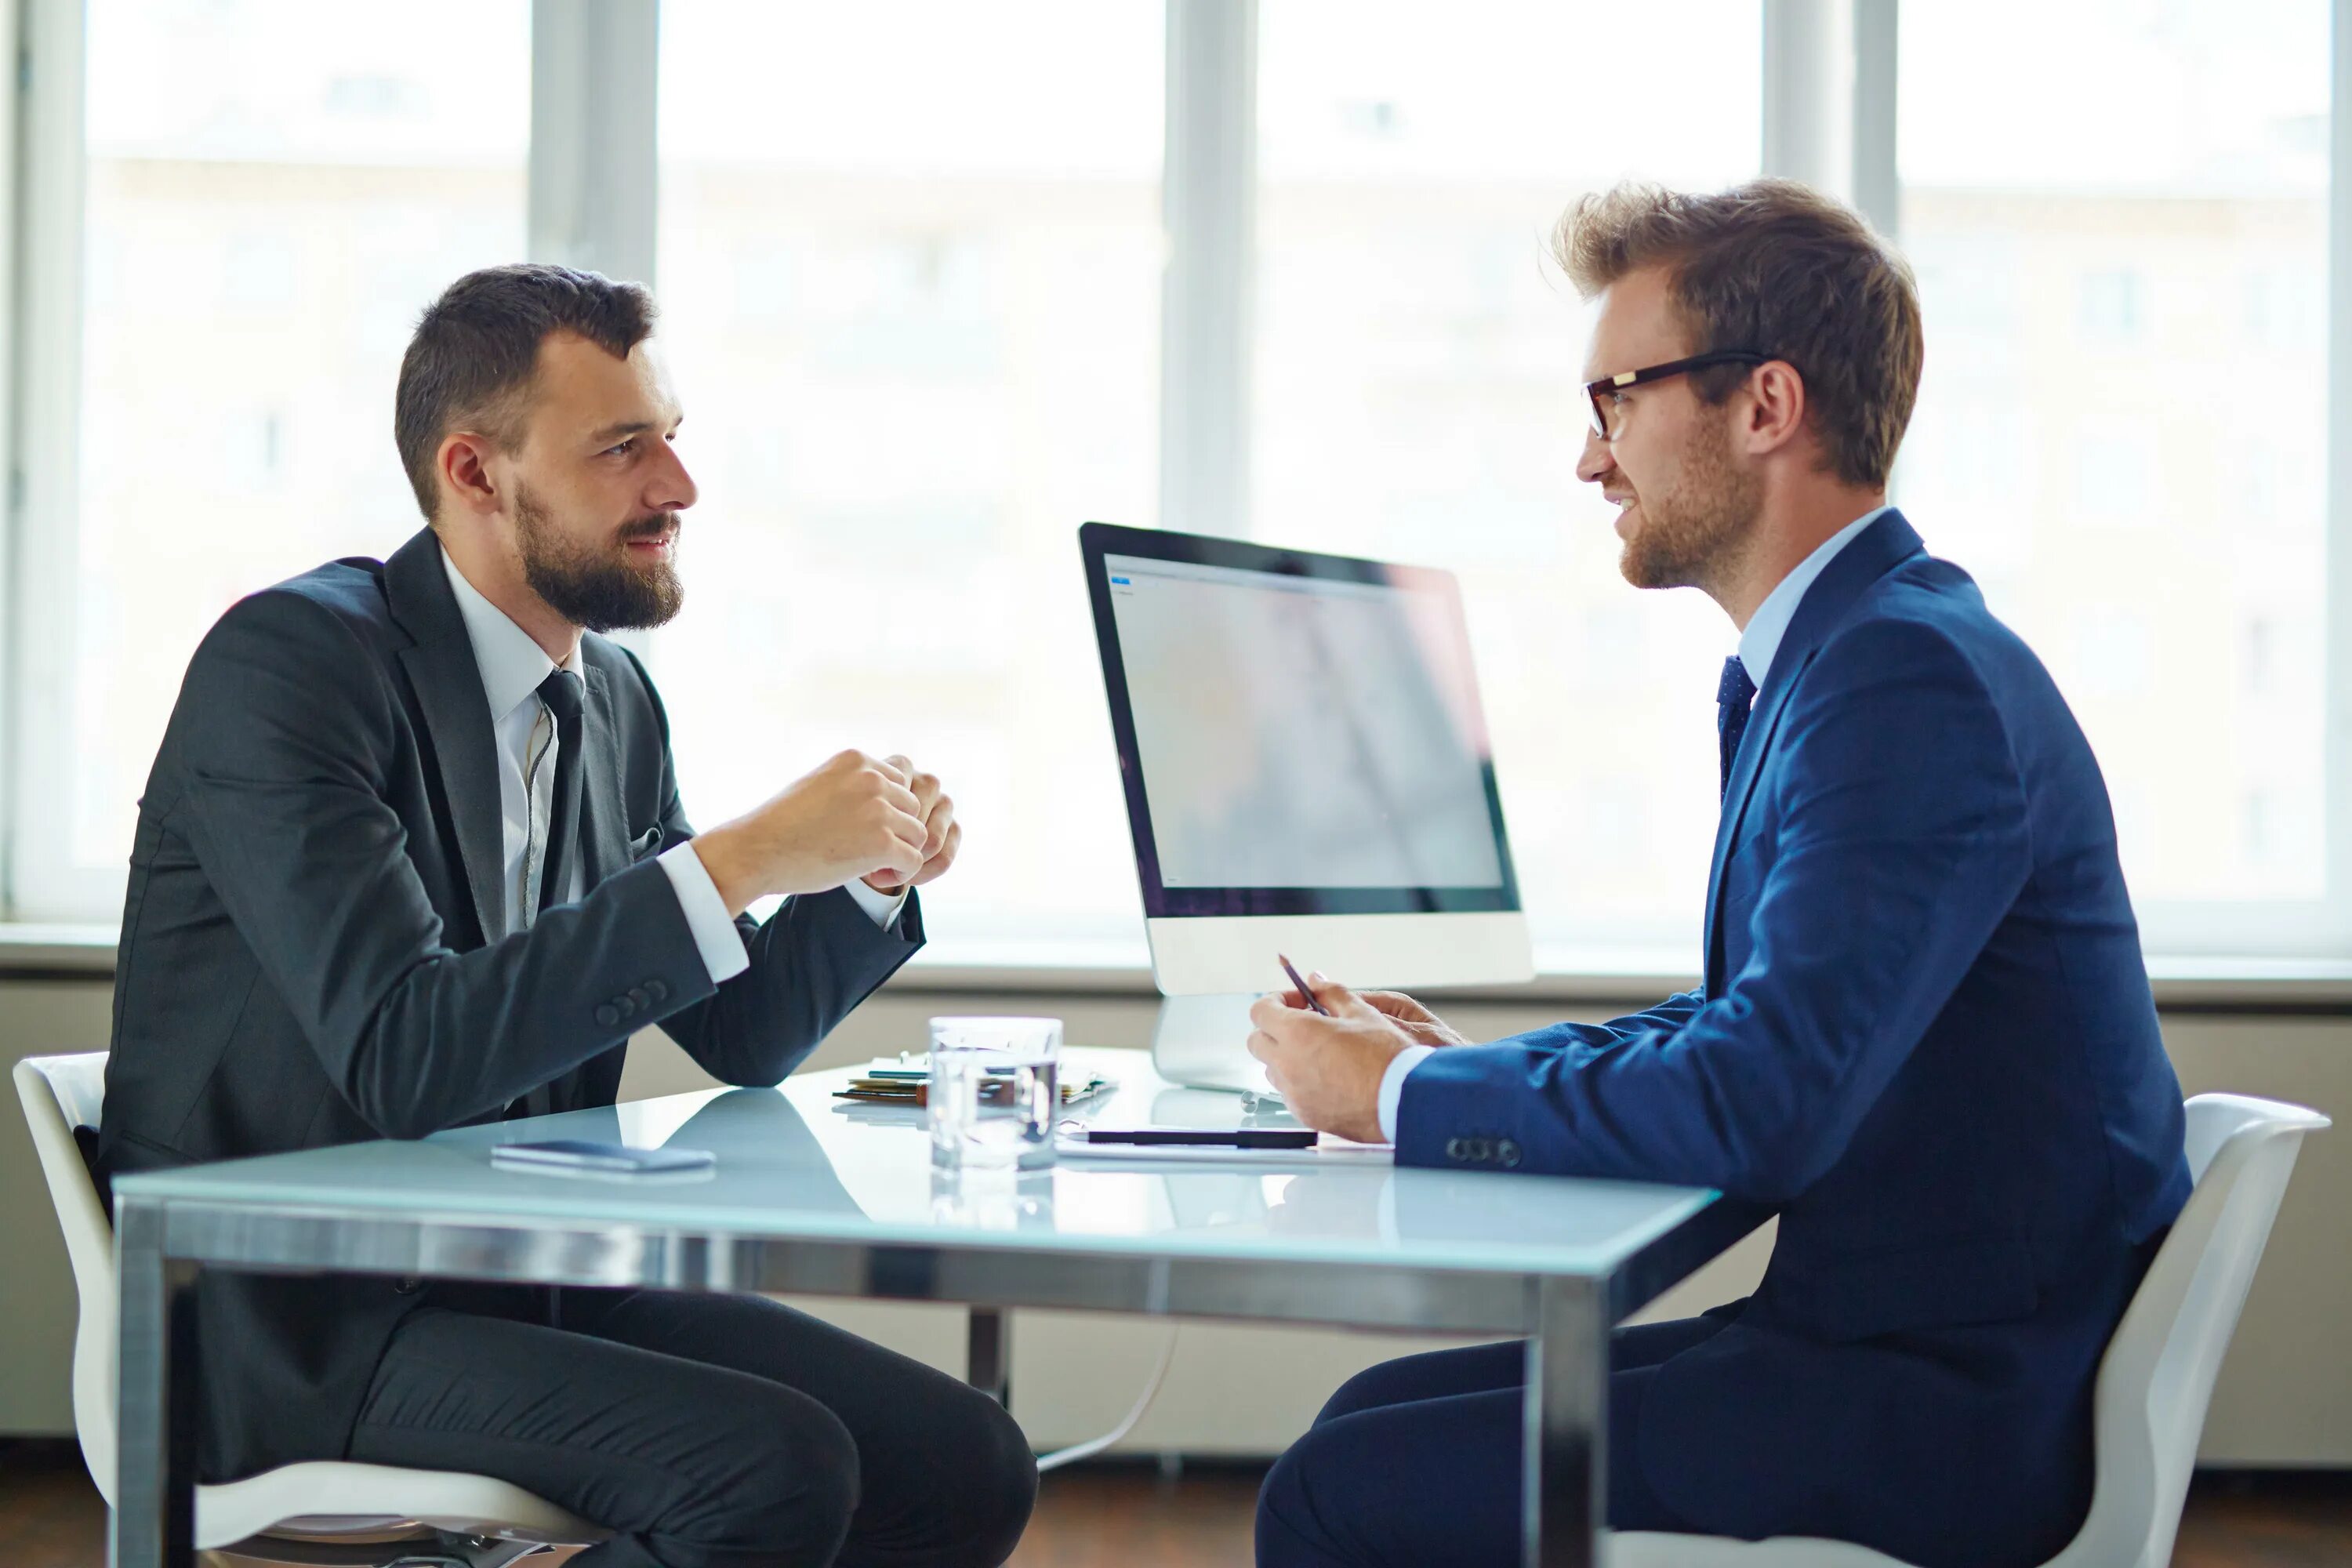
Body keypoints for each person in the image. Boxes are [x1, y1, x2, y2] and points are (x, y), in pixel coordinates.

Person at [1246, 180, 2191, 1568]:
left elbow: (1764, 1101)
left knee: (1339, 1491)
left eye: (1616, 398)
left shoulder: (1899, 677)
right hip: (1908, 1348)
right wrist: (1457, 1067)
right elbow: (1753, 1026)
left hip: (1944, 1409)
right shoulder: (1853, 655)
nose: (1590, 459)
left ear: (1765, 407)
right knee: (1364, 1422)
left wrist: (1394, 1097)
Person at [92, 263, 1036, 1568]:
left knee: (965, 1462)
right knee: (771, 1472)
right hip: (291, 1325)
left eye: (673, 438)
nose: (680, 489)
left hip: (516, 1285)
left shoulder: (614, 705)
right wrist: (748, 852)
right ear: (474, 473)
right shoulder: (294, 666)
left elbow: (744, 1034)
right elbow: (403, 1054)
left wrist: (867, 879)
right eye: (623, 448)